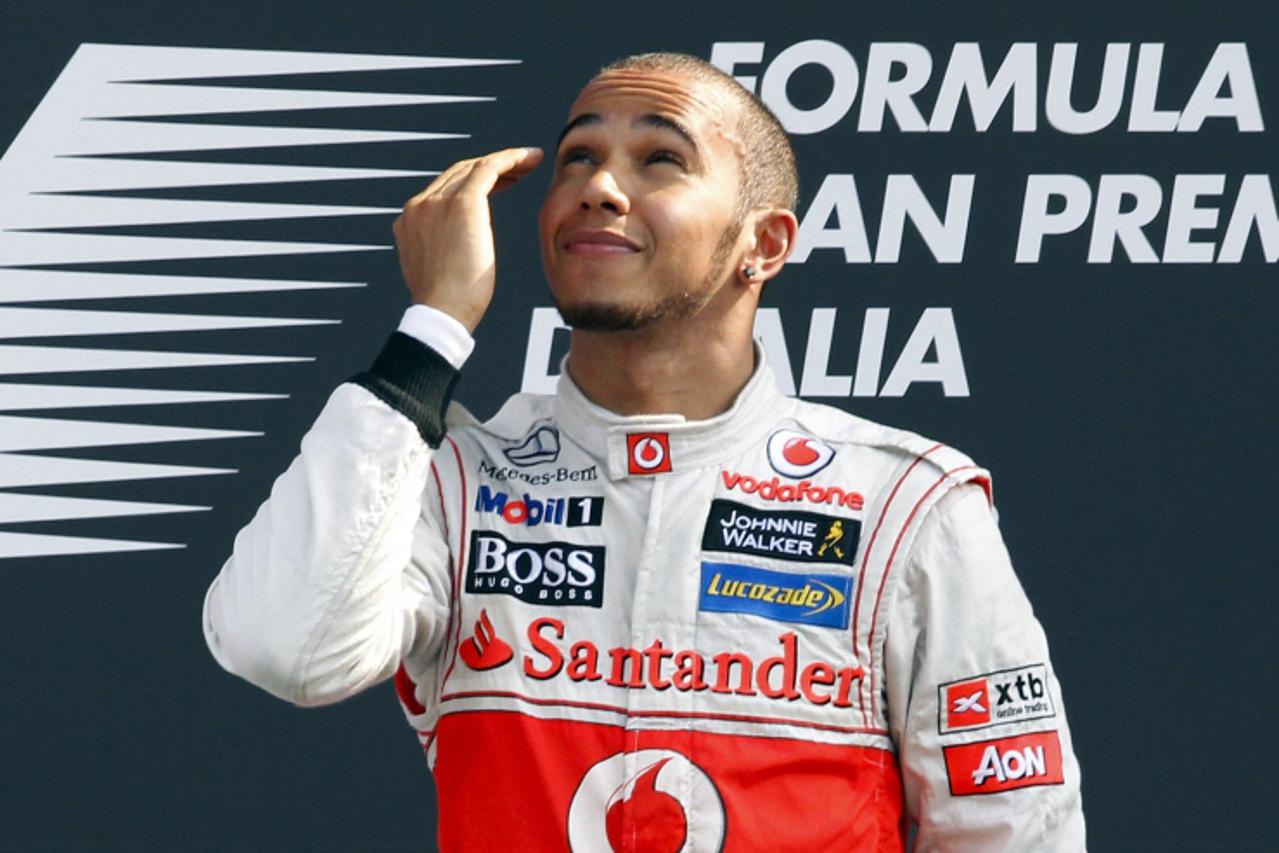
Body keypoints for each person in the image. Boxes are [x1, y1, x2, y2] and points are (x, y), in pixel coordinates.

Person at [203, 52, 1086, 851]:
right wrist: (433, 327)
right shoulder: (452, 477)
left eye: (660, 158)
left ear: (764, 243)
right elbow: (283, 647)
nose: (598, 186)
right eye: (577, 158)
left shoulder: (902, 503)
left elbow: (1017, 831)